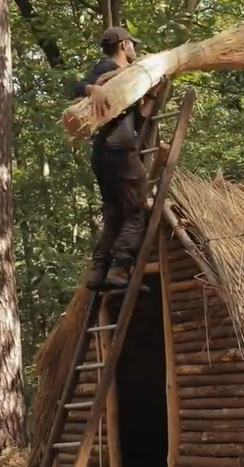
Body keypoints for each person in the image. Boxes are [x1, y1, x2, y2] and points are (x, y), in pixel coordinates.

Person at [74, 26, 164, 291]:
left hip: (105, 153)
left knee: (115, 213)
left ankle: (99, 272)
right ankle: (120, 269)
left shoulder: (130, 80)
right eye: (132, 44)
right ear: (124, 45)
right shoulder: (106, 69)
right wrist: (93, 90)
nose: (134, 48)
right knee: (137, 209)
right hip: (119, 151)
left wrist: (152, 94)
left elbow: (139, 118)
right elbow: (76, 86)